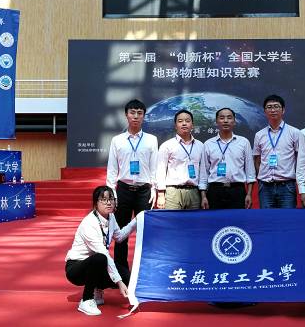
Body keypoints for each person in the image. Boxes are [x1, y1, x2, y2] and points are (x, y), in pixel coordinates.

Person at [105, 99, 158, 284]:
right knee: (121, 234)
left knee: (146, 231)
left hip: (144, 191)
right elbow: (112, 169)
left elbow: (154, 168)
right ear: (126, 115)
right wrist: (111, 194)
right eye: (132, 113)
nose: (136, 116)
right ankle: (122, 273)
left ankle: (146, 270)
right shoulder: (117, 140)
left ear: (144, 116)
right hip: (123, 190)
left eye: (139, 113)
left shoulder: (151, 140)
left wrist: (154, 189)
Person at [65, 185, 137, 316]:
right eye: (103, 200)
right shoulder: (89, 223)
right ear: (95, 204)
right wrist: (119, 282)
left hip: (96, 263)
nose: (108, 203)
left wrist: (136, 221)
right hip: (76, 267)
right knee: (101, 258)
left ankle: (97, 289)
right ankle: (86, 300)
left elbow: (119, 237)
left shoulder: (111, 217)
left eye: (111, 199)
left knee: (126, 275)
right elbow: (103, 254)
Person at [253, 94, 304, 208]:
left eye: (276, 106)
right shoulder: (259, 135)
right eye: (269, 107)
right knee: (267, 218)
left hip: (287, 186)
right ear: (265, 111)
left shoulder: (295, 133)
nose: (273, 110)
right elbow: (257, 159)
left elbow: (299, 159)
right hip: (265, 187)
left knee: (287, 217)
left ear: (283, 110)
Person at [199, 107, 255, 209]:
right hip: (215, 191)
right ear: (216, 122)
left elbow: (250, 171)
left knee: (237, 219)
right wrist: (203, 196)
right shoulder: (208, 144)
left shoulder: (244, 142)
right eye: (222, 118)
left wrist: (249, 194)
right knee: (214, 219)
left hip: (237, 190)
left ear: (234, 121)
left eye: (229, 118)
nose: (225, 121)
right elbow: (204, 172)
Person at [156, 109, 204, 209]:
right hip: (172, 192)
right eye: (180, 121)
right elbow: (160, 170)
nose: (184, 123)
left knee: (193, 219)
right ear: (175, 125)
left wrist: (203, 195)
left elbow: (203, 172)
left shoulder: (200, 146)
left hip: (194, 192)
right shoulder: (167, 145)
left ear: (192, 125)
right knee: (171, 219)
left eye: (187, 121)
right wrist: (160, 194)